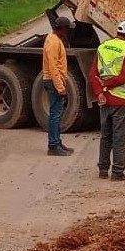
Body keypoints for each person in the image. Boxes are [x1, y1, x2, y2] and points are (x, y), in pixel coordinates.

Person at [88, 20, 125, 181]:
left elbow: (92, 74)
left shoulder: (103, 46)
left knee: (105, 135)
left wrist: (99, 91)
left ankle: (103, 169)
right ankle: (117, 172)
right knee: (119, 137)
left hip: (104, 99)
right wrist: (107, 83)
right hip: (121, 100)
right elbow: (123, 77)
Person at [42, 16, 76, 156]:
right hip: (53, 81)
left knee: (57, 114)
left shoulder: (54, 39)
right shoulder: (53, 42)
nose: (68, 31)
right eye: (67, 29)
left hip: (54, 81)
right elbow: (53, 67)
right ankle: (53, 145)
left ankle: (57, 141)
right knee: (55, 115)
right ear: (61, 29)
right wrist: (60, 87)